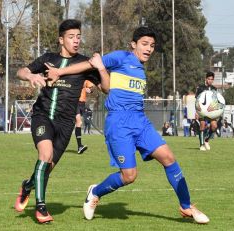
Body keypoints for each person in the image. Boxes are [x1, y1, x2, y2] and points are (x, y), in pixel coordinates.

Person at [46, 27, 209, 224]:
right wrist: (61, 71)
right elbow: (88, 65)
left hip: (140, 122)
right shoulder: (121, 57)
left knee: (169, 158)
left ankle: (187, 206)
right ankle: (95, 192)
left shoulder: (140, 67)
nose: (149, 49)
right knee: (129, 176)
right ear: (133, 44)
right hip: (119, 124)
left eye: (152, 46)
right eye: (144, 44)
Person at [13, 19, 104, 224]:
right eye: (71, 37)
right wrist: (30, 76)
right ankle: (41, 208)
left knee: (46, 168)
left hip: (65, 124)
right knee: (44, 156)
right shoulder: (48, 58)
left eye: (78, 37)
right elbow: (21, 71)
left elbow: (105, 87)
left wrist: (101, 70)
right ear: (61, 39)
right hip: (43, 116)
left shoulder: (84, 64)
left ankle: (27, 186)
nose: (76, 41)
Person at [195, 71, 218, 151]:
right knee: (202, 125)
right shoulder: (200, 88)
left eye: (212, 79)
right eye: (209, 79)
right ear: (206, 79)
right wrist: (196, 112)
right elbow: (196, 100)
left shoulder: (214, 89)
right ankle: (201, 145)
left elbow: (216, 101)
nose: (210, 81)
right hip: (202, 110)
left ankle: (206, 140)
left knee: (214, 126)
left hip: (211, 111)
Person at [75, 80, 94, 154]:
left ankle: (79, 147)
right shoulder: (74, 76)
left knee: (78, 123)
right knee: (79, 122)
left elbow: (91, 88)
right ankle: (79, 146)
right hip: (74, 101)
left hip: (82, 103)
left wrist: (90, 90)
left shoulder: (86, 79)